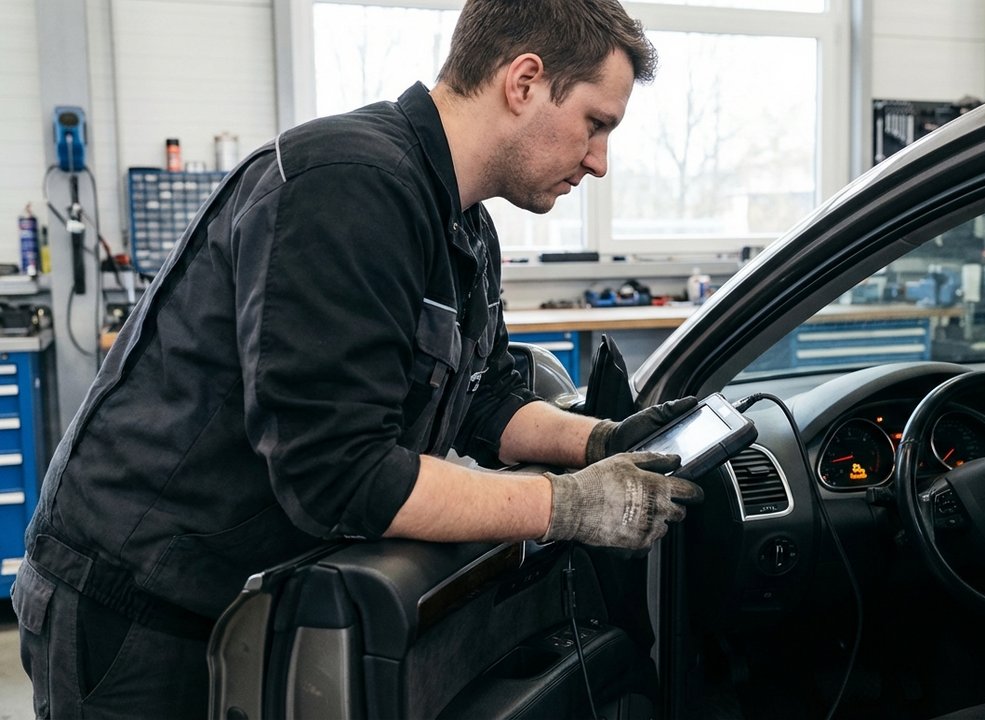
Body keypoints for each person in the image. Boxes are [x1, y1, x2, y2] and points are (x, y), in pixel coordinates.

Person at [12, 1, 703, 717]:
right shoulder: (346, 187)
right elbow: (340, 477)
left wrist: (603, 441)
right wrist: (566, 506)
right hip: (137, 610)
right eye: (596, 123)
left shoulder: (462, 223)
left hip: (250, 602)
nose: (599, 160)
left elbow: (485, 401)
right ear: (524, 82)